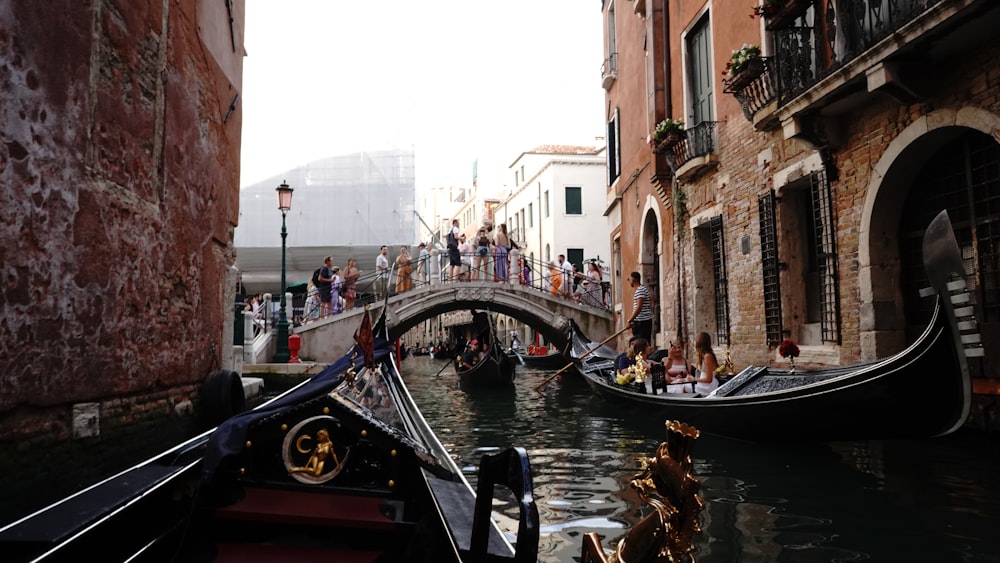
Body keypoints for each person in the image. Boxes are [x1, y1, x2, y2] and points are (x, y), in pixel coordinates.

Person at [627, 271, 653, 343]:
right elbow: (651, 299)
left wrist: (630, 320)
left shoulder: (640, 290)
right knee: (639, 344)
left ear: (633, 280)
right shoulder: (643, 289)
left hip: (642, 323)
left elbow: (639, 307)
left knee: (641, 345)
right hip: (640, 321)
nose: (629, 282)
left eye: (629, 279)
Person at [693, 332, 720, 396]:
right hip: (702, 385)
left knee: (684, 387)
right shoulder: (703, 356)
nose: (694, 342)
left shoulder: (708, 356)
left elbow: (709, 379)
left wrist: (693, 379)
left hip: (707, 387)